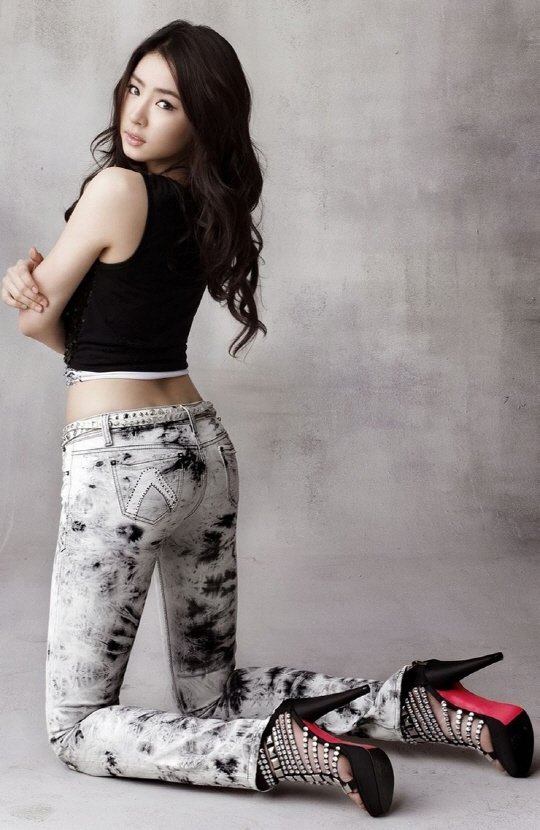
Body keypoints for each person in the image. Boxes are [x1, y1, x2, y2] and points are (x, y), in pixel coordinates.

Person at [2, 19, 534, 818]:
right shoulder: (206, 204)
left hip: (121, 466)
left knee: (77, 729)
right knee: (212, 694)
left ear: (201, 118)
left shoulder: (116, 188)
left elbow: (44, 329)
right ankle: (416, 705)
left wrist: (25, 286)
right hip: (204, 455)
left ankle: (275, 750)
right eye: (134, 88)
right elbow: (112, 334)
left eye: (166, 102)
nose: (137, 113)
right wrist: (44, 290)